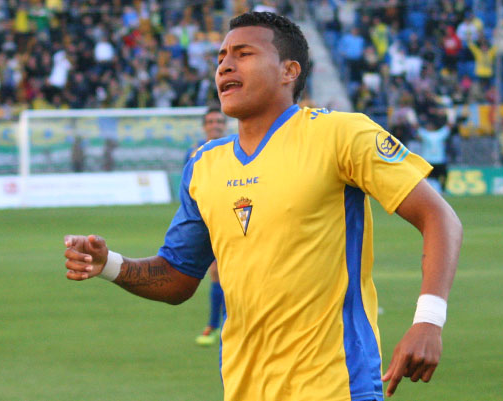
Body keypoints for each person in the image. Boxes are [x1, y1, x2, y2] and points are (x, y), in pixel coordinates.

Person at [64, 12, 462, 401]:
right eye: (221, 58)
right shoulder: (204, 164)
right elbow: (177, 278)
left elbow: (438, 216)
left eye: (243, 54)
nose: (225, 66)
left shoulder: (340, 134)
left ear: (289, 71)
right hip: (242, 388)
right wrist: (110, 265)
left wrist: (428, 320)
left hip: (336, 385)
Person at [186, 106, 227, 346]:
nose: (215, 125)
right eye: (210, 122)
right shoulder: (195, 154)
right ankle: (216, 324)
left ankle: (222, 325)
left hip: (237, 216)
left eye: (219, 121)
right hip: (207, 220)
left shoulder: (239, 148)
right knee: (216, 272)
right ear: (204, 126)